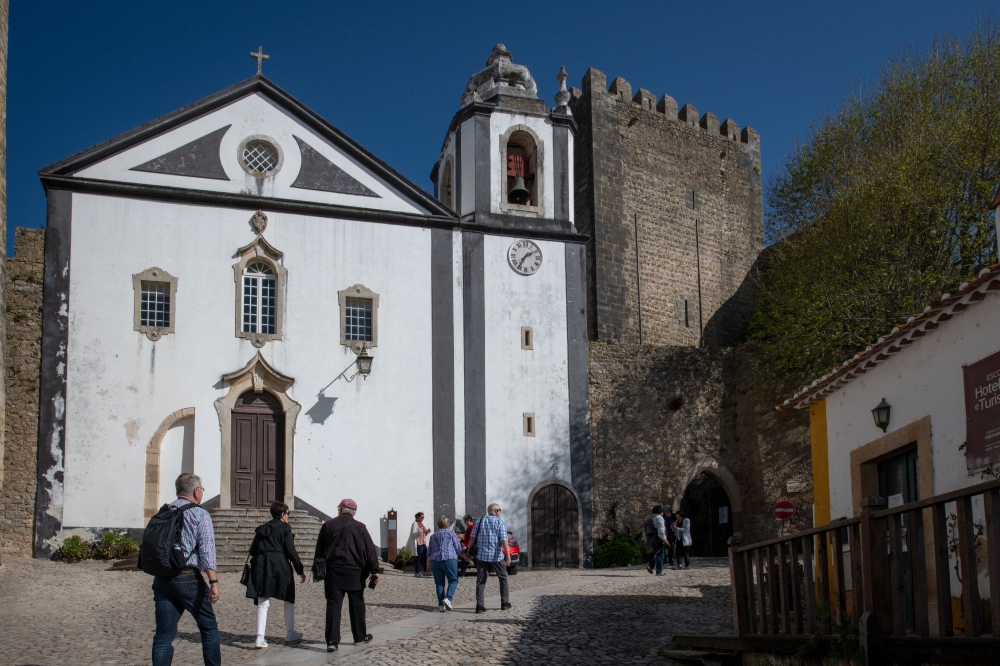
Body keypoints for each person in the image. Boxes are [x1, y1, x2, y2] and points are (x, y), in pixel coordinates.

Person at [151, 473, 221, 666]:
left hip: (162, 576)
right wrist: (213, 582)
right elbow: (207, 551)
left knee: (163, 636)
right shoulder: (199, 513)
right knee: (209, 629)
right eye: (202, 489)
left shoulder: (165, 510)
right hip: (186, 576)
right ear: (196, 491)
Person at [315, 498, 381, 652]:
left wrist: (318, 568)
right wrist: (374, 571)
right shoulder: (360, 527)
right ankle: (359, 637)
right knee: (357, 604)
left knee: (333, 606)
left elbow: (319, 550)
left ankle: (332, 641)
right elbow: (370, 550)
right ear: (353, 512)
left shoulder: (328, 525)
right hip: (355, 572)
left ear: (340, 510)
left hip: (334, 571)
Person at [248, 501, 306, 648]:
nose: (288, 517)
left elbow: (252, 550)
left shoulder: (261, 529)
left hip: (262, 564)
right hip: (280, 564)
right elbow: (291, 551)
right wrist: (300, 570)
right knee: (288, 598)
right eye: (288, 514)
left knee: (263, 601)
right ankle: (290, 632)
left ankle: (259, 637)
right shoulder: (285, 529)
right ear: (282, 515)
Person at [468, 503, 511, 613]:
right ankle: (505, 603)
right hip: (496, 556)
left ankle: (480, 606)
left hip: (482, 556)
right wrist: (508, 554)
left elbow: (473, 537)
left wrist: (468, 550)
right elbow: (504, 540)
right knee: (503, 578)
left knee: (481, 581)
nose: (500, 512)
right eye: (500, 510)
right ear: (496, 511)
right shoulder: (500, 522)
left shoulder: (480, 520)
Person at [428, 516, 462, 611]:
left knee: (439, 584)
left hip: (436, 560)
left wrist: (428, 564)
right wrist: (465, 554)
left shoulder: (433, 536)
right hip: (449, 559)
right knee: (453, 580)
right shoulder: (451, 534)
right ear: (448, 524)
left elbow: (429, 551)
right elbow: (458, 548)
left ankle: (441, 605)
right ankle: (448, 598)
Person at [643, 505, 667, 575]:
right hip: (658, 538)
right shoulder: (659, 518)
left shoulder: (649, 518)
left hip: (651, 538)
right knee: (660, 553)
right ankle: (658, 571)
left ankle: (651, 566)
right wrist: (664, 539)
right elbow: (661, 530)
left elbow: (645, 529)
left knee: (656, 553)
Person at [410, 512, 432, 577]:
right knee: (418, 558)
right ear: (417, 517)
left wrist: (427, 531)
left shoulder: (421, 524)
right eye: (421, 517)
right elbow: (413, 533)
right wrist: (420, 530)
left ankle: (425, 571)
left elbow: (424, 534)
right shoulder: (415, 524)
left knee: (425, 557)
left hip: (423, 542)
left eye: (423, 517)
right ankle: (416, 572)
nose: (423, 518)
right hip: (418, 543)